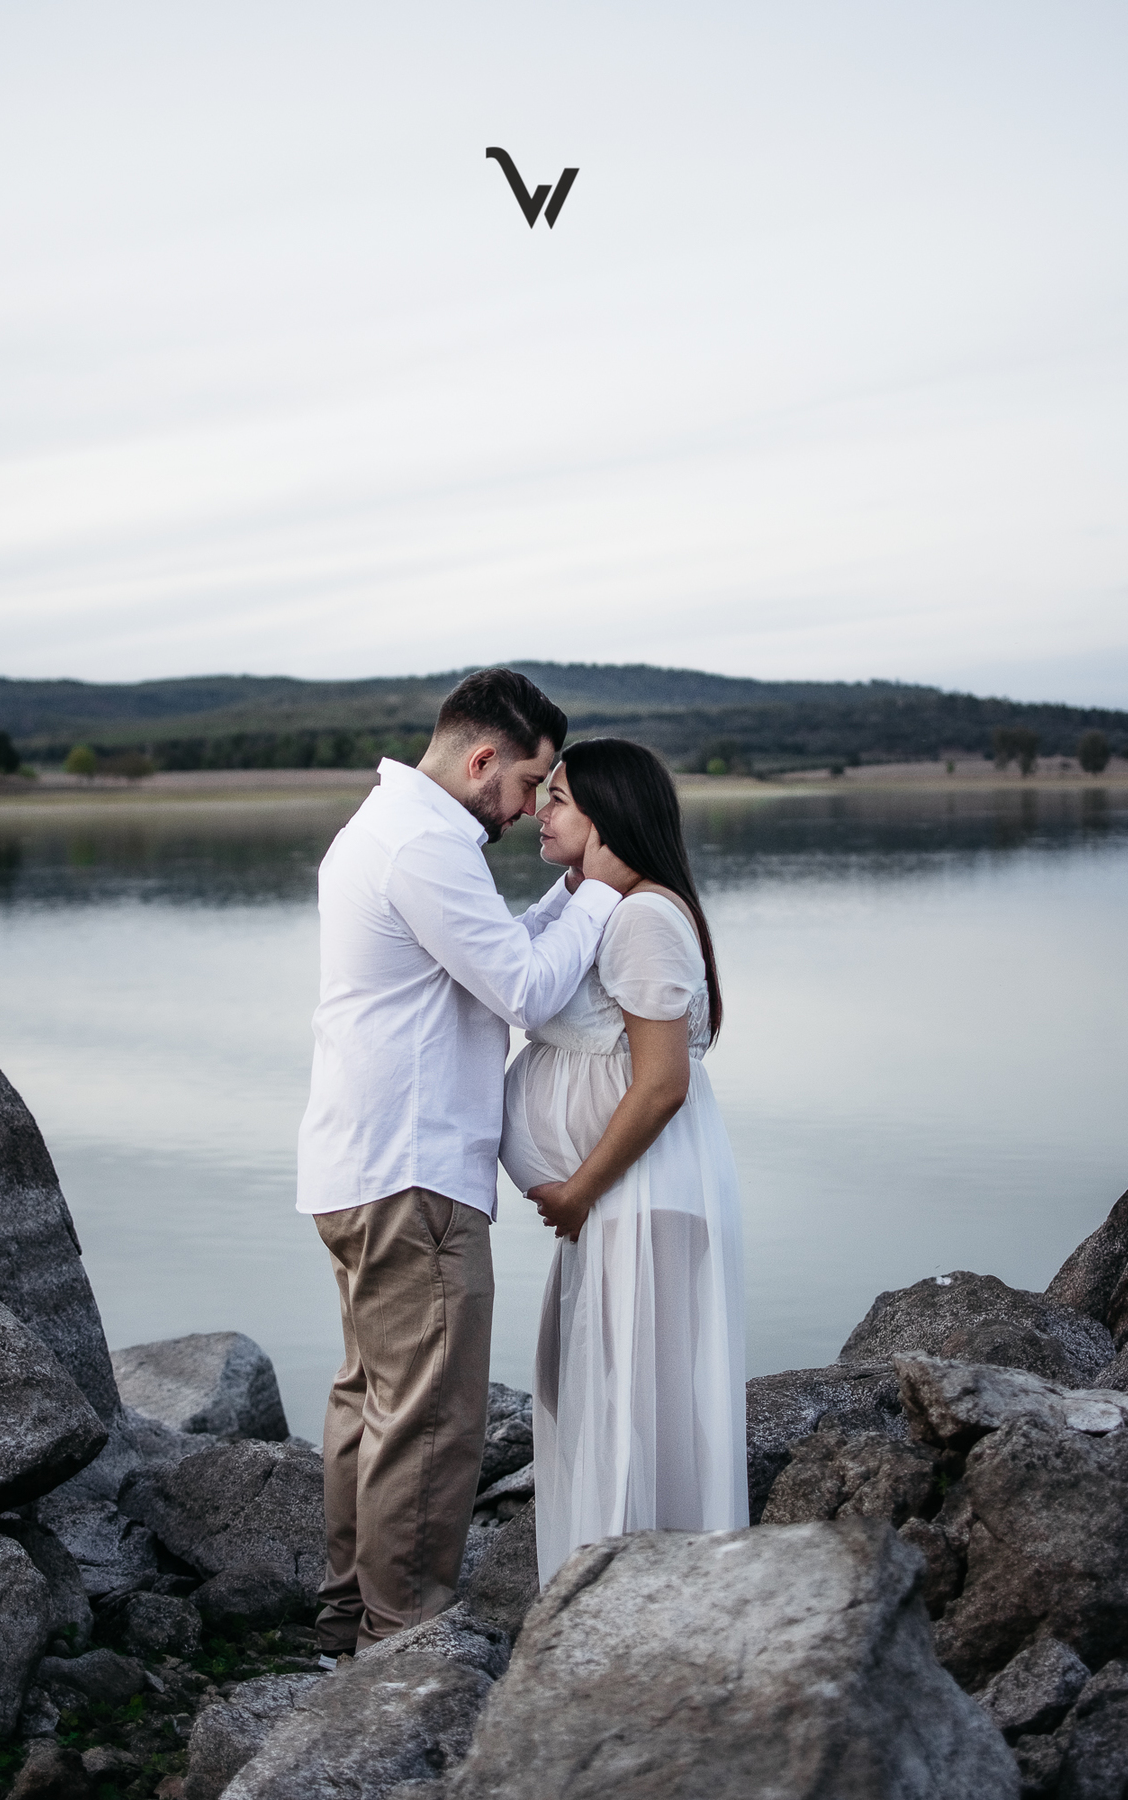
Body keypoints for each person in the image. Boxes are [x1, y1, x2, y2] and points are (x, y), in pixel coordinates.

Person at [296, 669, 633, 1665]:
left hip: (356, 1166)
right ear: (481, 759)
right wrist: (607, 898)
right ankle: (404, 1639)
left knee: (370, 1398)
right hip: (413, 1174)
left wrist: (567, 895)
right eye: (528, 783)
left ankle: (345, 1615)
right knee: (434, 1413)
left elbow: (481, 955)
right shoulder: (427, 845)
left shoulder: (385, 829)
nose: (531, 806)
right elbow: (524, 990)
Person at [499, 738, 748, 1586]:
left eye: (561, 798)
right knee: (585, 1390)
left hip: (639, 1191)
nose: (541, 808)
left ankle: (655, 1597)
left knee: (642, 1406)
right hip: (609, 1198)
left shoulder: (644, 918)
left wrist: (577, 1188)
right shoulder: (594, 902)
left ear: (610, 814)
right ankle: (609, 1589)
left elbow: (662, 1084)